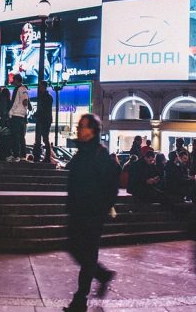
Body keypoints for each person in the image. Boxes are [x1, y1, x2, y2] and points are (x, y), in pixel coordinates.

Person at [63, 114, 119, 312]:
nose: (79, 129)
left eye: (83, 126)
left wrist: (102, 207)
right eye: (79, 126)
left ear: (92, 131)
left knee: (87, 256)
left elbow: (112, 183)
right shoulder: (81, 153)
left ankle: (80, 300)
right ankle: (102, 275)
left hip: (93, 214)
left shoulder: (100, 154)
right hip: (78, 212)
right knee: (74, 248)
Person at [6, 74, 30, 162]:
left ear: (16, 80)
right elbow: (25, 102)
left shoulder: (18, 89)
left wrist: (10, 112)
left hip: (16, 115)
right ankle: (22, 155)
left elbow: (15, 102)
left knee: (15, 136)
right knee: (21, 137)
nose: (12, 81)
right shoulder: (24, 89)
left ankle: (16, 155)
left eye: (13, 80)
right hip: (22, 115)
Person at [33, 81, 53, 162]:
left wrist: (35, 114)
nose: (39, 88)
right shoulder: (47, 97)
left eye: (40, 86)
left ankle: (42, 157)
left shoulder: (44, 97)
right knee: (44, 138)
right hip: (45, 120)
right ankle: (46, 157)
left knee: (43, 138)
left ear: (43, 87)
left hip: (43, 120)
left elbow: (42, 109)